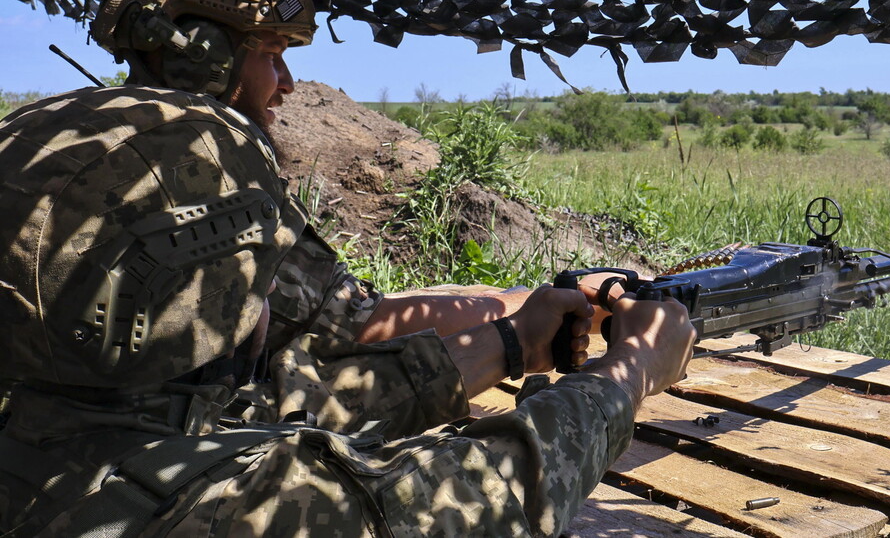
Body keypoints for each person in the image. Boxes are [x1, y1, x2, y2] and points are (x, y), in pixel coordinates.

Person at [0, 82, 695, 536]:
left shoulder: (54, 420)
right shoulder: (215, 516)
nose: (272, 297)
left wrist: (512, 341)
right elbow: (475, 494)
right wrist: (629, 372)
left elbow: (278, 410)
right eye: (257, 275)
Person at [82, 0, 614, 425]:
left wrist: (521, 294)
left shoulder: (87, 137)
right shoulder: (197, 168)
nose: (288, 83)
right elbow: (360, 325)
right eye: (271, 54)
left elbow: (337, 309)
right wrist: (541, 314)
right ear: (202, 57)